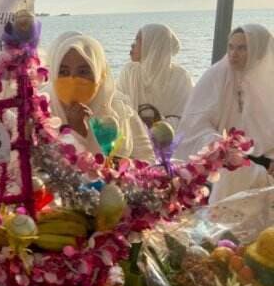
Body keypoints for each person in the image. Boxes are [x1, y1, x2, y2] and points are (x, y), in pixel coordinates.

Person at [175, 24, 274, 203]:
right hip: (232, 161)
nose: (233, 53)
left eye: (242, 48)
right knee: (232, 175)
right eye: (231, 47)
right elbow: (195, 124)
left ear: (259, 50)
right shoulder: (216, 76)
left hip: (269, 162)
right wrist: (221, 147)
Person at [46, 32, 154, 162]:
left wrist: (118, 170)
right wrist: (75, 132)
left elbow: (147, 159)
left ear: (100, 75)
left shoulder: (119, 111)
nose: (73, 79)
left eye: (83, 72)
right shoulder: (42, 113)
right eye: (63, 72)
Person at [117, 24, 193, 128]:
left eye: (138, 40)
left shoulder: (180, 77)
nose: (132, 44)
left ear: (153, 45)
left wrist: (158, 126)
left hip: (170, 139)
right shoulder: (129, 71)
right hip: (134, 136)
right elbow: (118, 105)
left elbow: (186, 118)